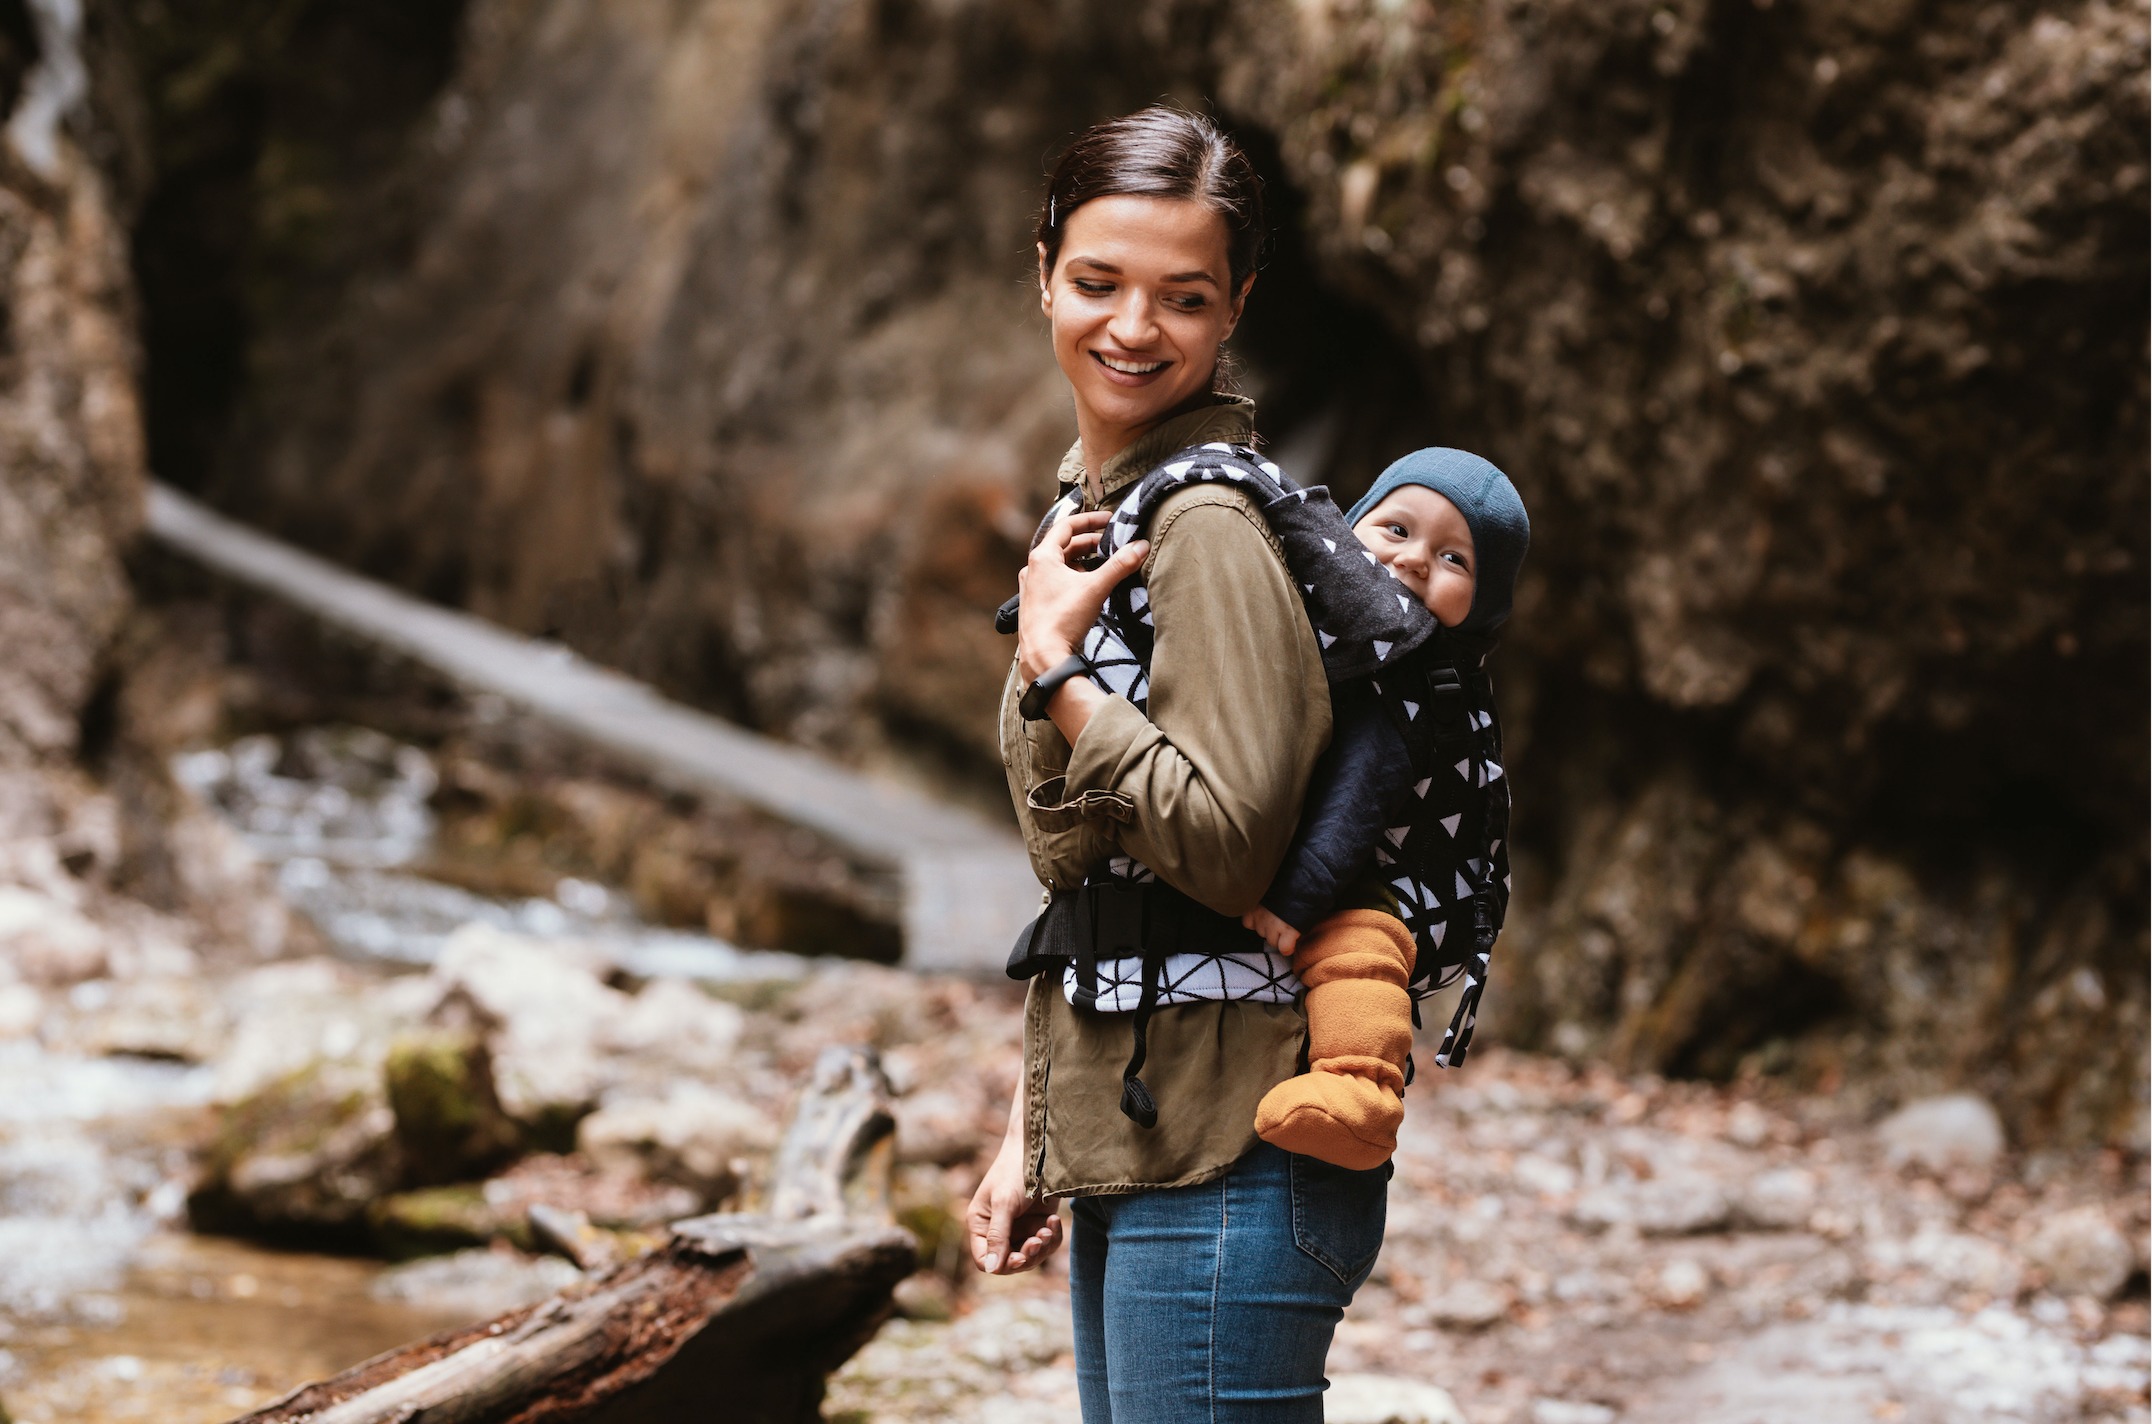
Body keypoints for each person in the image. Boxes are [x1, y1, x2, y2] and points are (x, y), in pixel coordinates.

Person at [964, 106, 1374, 1423]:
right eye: (1098, 283)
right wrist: (1037, 1135)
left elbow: (1229, 843)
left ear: (1234, 308)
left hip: (1236, 1152)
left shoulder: (1202, 525)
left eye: (1182, 298)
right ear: (1043, 273)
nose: (1133, 327)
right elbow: (1099, 886)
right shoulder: (1096, 514)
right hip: (1154, 1130)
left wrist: (1062, 679)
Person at [1241, 448, 1530, 1172]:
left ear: (1486, 604)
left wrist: (1298, 896)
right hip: (1307, 837)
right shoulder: (1331, 616)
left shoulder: (1412, 671)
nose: (1414, 561)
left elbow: (1366, 787)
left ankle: (1356, 1093)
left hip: (1376, 875)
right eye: (1395, 529)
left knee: (1359, 954)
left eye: (1455, 559)